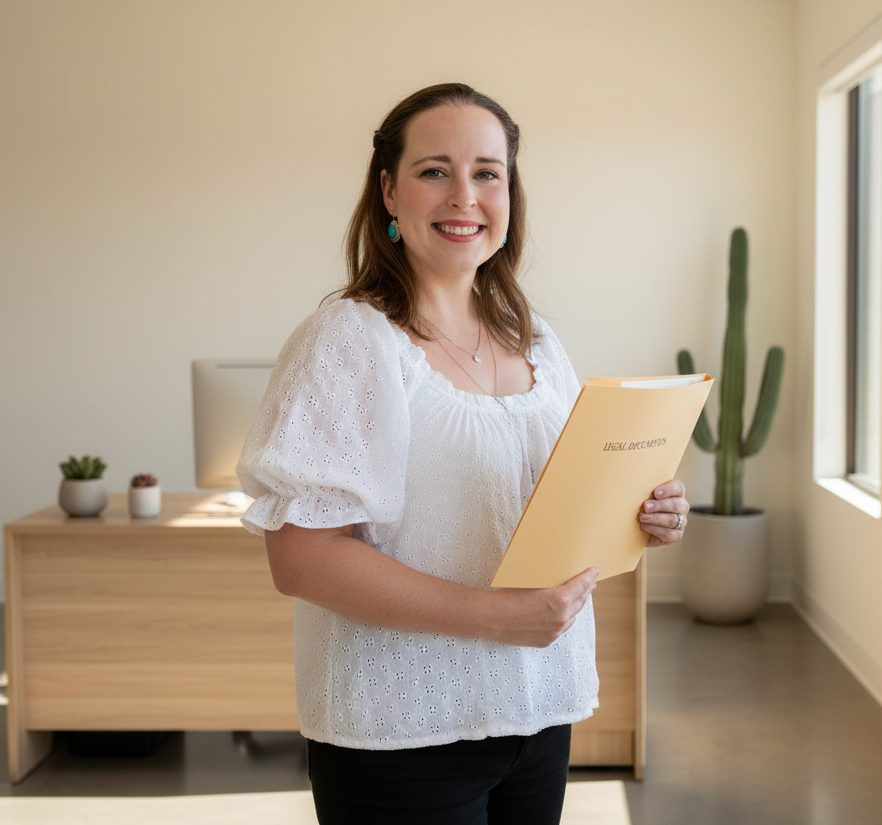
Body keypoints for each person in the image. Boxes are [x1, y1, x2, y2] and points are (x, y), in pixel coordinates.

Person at [236, 83, 689, 825]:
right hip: (401, 731)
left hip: (538, 710)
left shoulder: (535, 337)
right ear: (388, 190)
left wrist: (645, 511)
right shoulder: (349, 341)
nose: (464, 197)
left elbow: (560, 503)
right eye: (434, 170)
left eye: (487, 172)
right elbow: (301, 559)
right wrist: (495, 617)